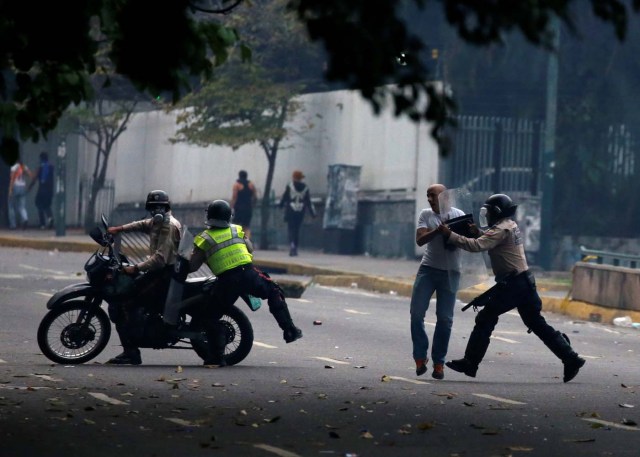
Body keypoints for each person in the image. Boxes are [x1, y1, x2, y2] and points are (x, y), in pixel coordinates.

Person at [438, 193, 586, 383]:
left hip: (514, 285)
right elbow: (490, 239)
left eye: (489, 212)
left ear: (497, 212)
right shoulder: (509, 225)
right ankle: (571, 358)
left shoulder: (500, 230)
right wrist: (478, 232)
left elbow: (476, 246)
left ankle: (470, 363)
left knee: (485, 318)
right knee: (536, 323)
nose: (487, 216)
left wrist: (449, 234)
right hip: (524, 281)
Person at [186, 199, 303, 366]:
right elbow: (250, 249)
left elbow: (192, 266)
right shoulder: (237, 230)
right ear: (229, 216)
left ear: (209, 217)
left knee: (209, 316)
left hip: (227, 281)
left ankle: (216, 357)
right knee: (274, 291)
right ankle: (290, 330)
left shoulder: (204, 238)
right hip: (248, 274)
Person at [105, 190, 182, 365]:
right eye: (153, 208)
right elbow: (142, 224)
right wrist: (120, 229)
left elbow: (160, 259)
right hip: (158, 273)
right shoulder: (158, 222)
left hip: (164, 275)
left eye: (159, 207)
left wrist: (135, 268)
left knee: (124, 303)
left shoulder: (168, 226)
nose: (156, 211)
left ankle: (131, 352)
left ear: (166, 207)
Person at [410, 184, 464, 380]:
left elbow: (468, 239)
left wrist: (469, 231)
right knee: (416, 314)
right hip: (428, 270)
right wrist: (439, 231)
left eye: (433, 196)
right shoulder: (426, 215)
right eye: (428, 196)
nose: (430, 200)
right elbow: (420, 240)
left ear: (444, 197)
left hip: (451, 272)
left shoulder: (458, 214)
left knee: (445, 319)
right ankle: (419, 357)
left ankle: (439, 362)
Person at [279, 170, 316, 256]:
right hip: (300, 210)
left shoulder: (290, 186)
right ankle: (295, 247)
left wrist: (280, 205)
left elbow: (285, 197)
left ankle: (292, 245)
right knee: (297, 229)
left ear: (294, 177)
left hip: (290, 210)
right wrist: (313, 213)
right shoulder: (305, 187)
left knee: (291, 229)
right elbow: (308, 201)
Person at [28, 152, 55, 229]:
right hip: (50, 190)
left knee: (39, 204)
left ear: (41, 159)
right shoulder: (51, 167)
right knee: (47, 205)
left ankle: (42, 223)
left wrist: (29, 187)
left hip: (42, 190)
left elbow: (34, 178)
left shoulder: (40, 168)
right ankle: (50, 218)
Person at [230, 170, 257, 239]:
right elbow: (255, 197)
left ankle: (236, 240)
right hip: (248, 208)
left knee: (235, 225)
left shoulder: (236, 185)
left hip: (239, 208)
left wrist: (231, 206)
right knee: (246, 226)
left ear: (239, 176)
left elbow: (234, 197)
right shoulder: (251, 185)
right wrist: (252, 205)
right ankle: (247, 242)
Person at [8, 159, 32, 230]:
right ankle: (25, 218)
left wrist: (10, 190)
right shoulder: (24, 167)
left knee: (11, 206)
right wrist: (28, 186)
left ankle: (13, 225)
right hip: (22, 187)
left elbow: (12, 179)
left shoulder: (14, 167)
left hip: (15, 186)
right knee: (22, 206)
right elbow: (30, 175)